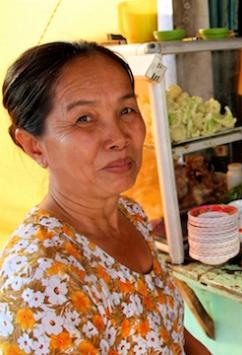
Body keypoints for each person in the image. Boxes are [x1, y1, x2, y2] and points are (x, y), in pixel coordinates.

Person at [0, 42, 209, 354]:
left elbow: (171, 330)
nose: (119, 137)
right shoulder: (40, 279)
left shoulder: (130, 214)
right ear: (33, 146)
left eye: (126, 110)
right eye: (84, 118)